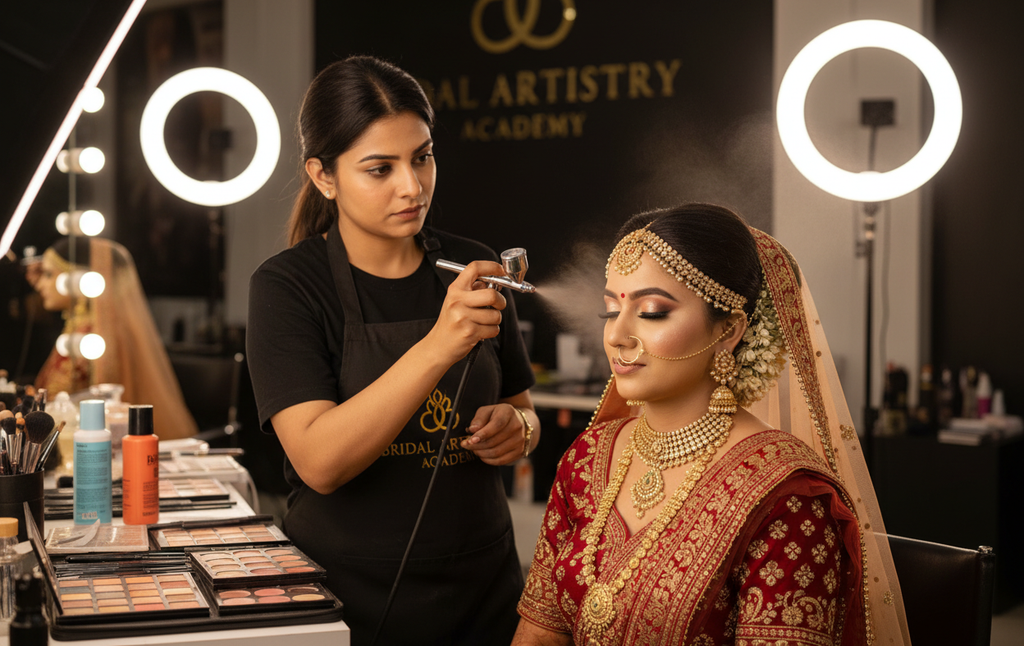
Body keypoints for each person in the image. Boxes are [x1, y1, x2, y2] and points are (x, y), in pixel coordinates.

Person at [514, 204, 910, 645]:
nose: (616, 335)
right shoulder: (589, 457)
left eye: (651, 312)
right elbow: (539, 632)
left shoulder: (787, 496)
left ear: (728, 332)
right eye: (611, 311)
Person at [246, 55, 539, 645]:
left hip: (484, 590)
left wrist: (520, 428)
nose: (413, 186)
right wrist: (438, 346)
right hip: (347, 597)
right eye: (380, 169)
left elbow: (524, 408)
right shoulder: (287, 288)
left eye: (423, 157)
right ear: (323, 176)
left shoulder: (469, 265)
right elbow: (319, 462)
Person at [28, 236, 198, 440]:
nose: (40, 284)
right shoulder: (77, 331)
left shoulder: (98, 337)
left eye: (48, 274)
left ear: (78, 279)